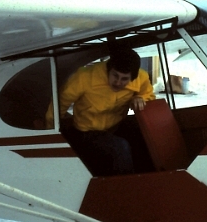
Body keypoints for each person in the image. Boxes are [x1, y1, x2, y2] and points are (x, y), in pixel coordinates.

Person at [46, 47, 155, 176]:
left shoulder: (141, 78)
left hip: (116, 126)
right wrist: (50, 134)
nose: (118, 82)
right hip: (87, 132)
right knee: (120, 147)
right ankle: (126, 185)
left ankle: (151, 179)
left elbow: (149, 95)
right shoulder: (84, 77)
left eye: (124, 79)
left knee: (143, 139)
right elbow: (59, 105)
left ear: (133, 78)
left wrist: (140, 98)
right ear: (108, 69)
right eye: (115, 75)